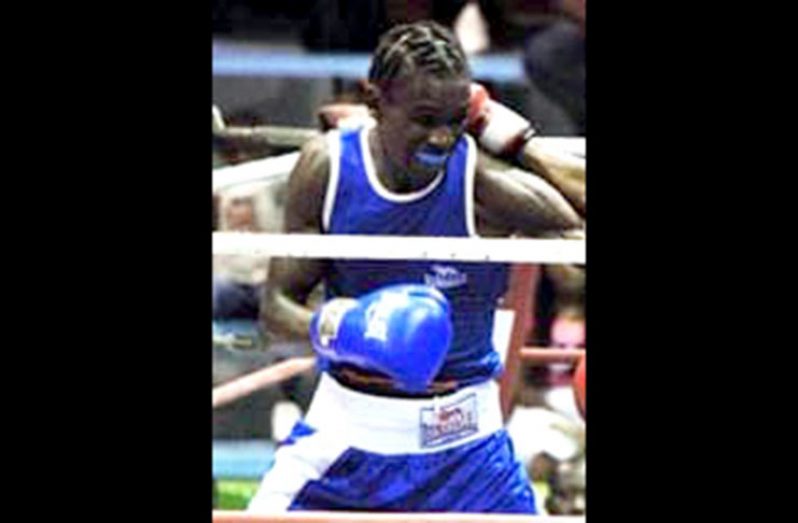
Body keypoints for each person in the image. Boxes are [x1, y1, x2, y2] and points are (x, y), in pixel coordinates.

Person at [248, 20, 583, 513]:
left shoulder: (477, 181)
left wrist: (512, 137)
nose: (441, 139)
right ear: (375, 102)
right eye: (424, 119)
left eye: (455, 120)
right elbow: (277, 309)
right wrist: (348, 328)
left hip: (469, 455)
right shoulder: (329, 169)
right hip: (344, 443)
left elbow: (575, 232)